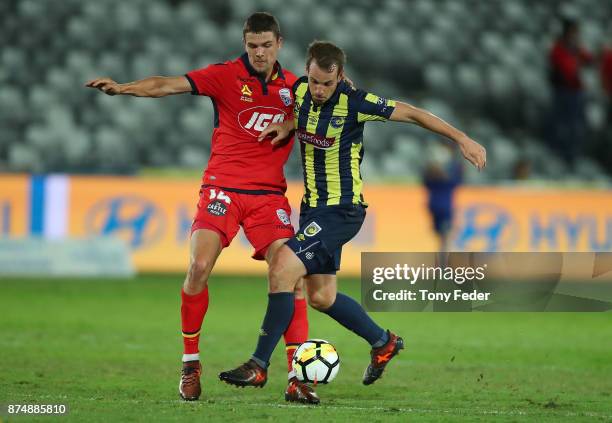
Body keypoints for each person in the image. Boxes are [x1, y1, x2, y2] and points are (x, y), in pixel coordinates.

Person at [219, 41, 486, 404]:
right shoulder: (299, 91)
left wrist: (461, 138)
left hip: (342, 210)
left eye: (327, 84)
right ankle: (384, 342)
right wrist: (287, 123)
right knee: (321, 297)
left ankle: (258, 363)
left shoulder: (356, 102)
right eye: (314, 81)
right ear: (308, 73)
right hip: (313, 209)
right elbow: (301, 110)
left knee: (282, 268)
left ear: (340, 77)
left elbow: (412, 113)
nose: (319, 90)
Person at [85, 12, 313, 403]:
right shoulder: (224, 75)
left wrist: (294, 120)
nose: (259, 52)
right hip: (222, 189)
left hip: (269, 198)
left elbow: (331, 100)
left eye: (266, 45)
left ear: (280, 43)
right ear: (245, 44)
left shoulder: (297, 87)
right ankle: (190, 363)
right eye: (252, 45)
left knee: (294, 276)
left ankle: (298, 377)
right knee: (198, 267)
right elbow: (167, 84)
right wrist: (124, 89)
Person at [548, 18, 593, 167]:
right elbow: (566, 70)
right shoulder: (559, 47)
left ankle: (572, 157)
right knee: (562, 126)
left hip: (575, 93)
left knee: (576, 126)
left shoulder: (576, 48)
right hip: (563, 92)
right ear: (567, 32)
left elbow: (589, 59)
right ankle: (559, 156)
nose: (576, 35)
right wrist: (576, 64)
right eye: (574, 31)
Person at [422, 142, 463, 252]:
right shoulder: (434, 170)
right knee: (446, 237)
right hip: (443, 206)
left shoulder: (451, 167)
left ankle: (443, 264)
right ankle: (445, 265)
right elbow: (455, 182)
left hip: (436, 204)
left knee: (444, 238)